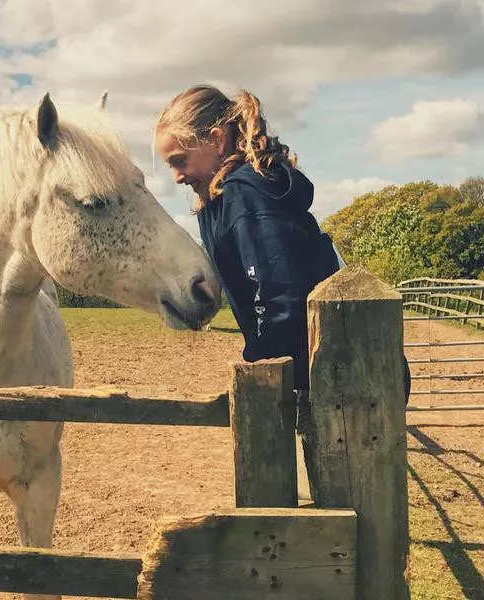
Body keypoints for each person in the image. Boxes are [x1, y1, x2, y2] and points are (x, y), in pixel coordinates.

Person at [154, 85, 409, 498]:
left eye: (179, 161)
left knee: (340, 504)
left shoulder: (244, 193)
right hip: (325, 370)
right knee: (337, 498)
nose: (177, 176)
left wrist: (263, 368)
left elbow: (278, 291)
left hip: (327, 377)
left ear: (217, 141)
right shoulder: (231, 195)